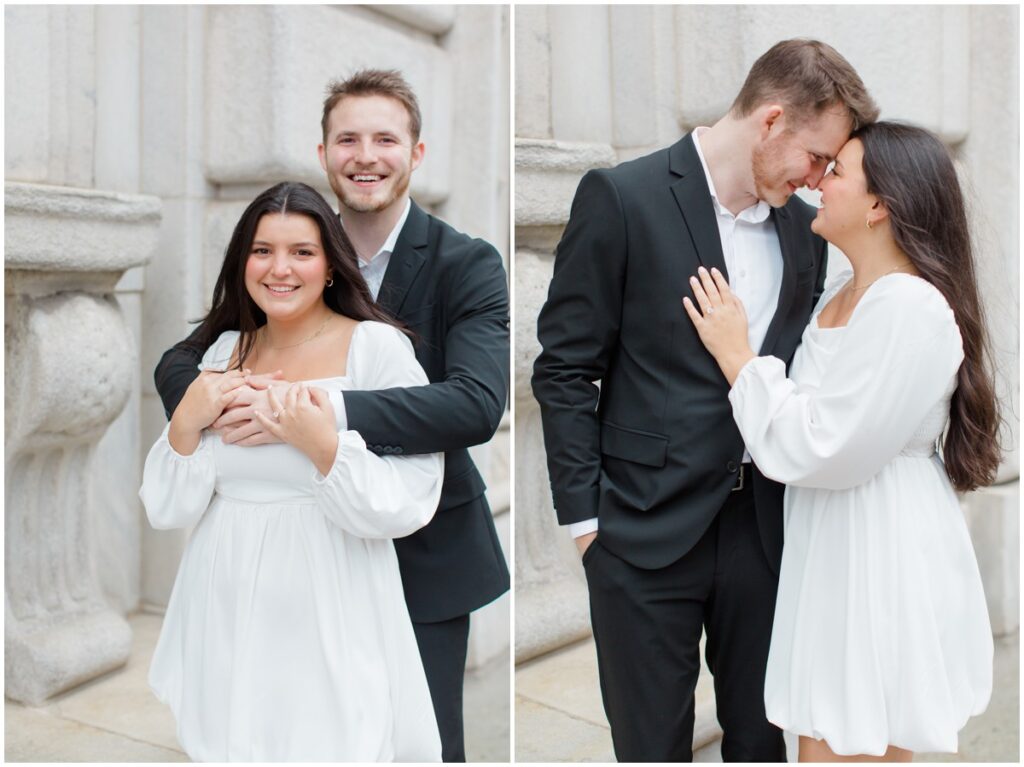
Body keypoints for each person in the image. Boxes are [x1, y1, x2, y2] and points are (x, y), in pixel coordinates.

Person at [532, 40, 878, 761]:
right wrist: (589, 526)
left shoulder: (801, 231)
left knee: (762, 741)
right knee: (652, 746)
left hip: (766, 531)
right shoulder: (621, 196)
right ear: (772, 120)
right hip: (640, 535)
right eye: (816, 157)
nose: (818, 181)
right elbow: (565, 367)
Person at [153, 70, 510, 762]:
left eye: (385, 138)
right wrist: (211, 408)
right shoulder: (296, 254)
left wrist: (317, 408)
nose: (365, 155)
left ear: (417, 153)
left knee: (420, 743)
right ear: (323, 154)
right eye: (347, 138)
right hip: (299, 564)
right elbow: (183, 358)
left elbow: (474, 402)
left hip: (424, 552)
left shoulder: (466, 263)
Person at [683, 122, 997, 762]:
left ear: (880, 204)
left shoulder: (910, 307)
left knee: (854, 737)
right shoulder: (841, 293)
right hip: (829, 541)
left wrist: (739, 358)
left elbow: (828, 445)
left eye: (838, 172)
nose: (818, 181)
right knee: (822, 738)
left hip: (879, 545)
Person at [140, 182, 443, 761]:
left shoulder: (376, 348)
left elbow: (410, 499)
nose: (280, 268)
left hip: (330, 594)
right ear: (242, 263)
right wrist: (187, 420)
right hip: (223, 593)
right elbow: (167, 507)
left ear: (331, 265)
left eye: (301, 252)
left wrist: (320, 445)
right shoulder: (223, 349)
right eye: (262, 251)